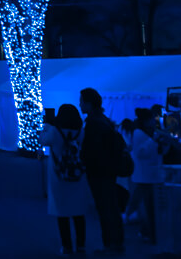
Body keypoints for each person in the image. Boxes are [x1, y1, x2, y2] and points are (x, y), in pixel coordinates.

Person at [79, 88, 125, 254]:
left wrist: (85, 160)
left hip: (99, 171)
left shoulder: (93, 122)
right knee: (111, 206)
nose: (80, 104)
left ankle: (110, 244)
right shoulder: (103, 119)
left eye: (82, 101)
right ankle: (115, 242)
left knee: (105, 207)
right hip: (109, 169)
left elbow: (93, 150)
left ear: (89, 103)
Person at [43, 104, 92, 255]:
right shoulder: (80, 131)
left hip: (59, 176)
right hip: (77, 175)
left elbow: (42, 141)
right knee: (78, 211)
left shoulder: (54, 131)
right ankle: (81, 245)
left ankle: (67, 246)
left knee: (62, 211)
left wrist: (46, 125)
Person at [129, 108, 165, 244]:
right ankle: (151, 234)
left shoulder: (146, 133)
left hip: (149, 176)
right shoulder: (139, 134)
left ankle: (149, 232)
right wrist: (154, 141)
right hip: (146, 176)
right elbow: (140, 153)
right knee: (149, 207)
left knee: (149, 207)